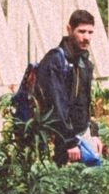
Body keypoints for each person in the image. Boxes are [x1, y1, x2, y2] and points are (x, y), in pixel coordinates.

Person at [26, 9, 101, 166]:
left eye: (90, 32)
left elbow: (85, 103)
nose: (86, 37)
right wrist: (69, 142)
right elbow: (56, 104)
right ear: (69, 29)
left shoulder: (84, 62)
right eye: (81, 31)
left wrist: (93, 133)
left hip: (80, 136)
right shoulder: (55, 60)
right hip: (61, 139)